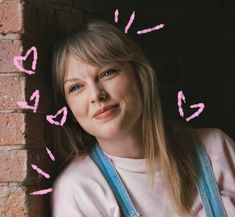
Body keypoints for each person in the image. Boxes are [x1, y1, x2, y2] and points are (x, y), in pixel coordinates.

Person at [50, 20, 235, 217]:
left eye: (107, 73)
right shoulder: (79, 190)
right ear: (68, 109)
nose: (96, 95)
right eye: (76, 87)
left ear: (139, 76)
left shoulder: (215, 149)